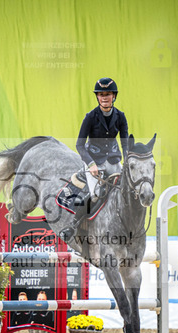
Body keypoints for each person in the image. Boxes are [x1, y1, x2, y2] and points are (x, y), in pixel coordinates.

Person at [60, 77, 129, 243]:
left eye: (108, 94)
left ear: (114, 96)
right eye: (101, 94)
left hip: (113, 160)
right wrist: (90, 164)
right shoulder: (90, 117)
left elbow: (125, 143)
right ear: (97, 97)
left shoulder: (120, 116)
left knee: (125, 190)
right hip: (94, 159)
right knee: (96, 194)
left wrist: (127, 160)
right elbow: (79, 145)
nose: (104, 97)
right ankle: (73, 225)